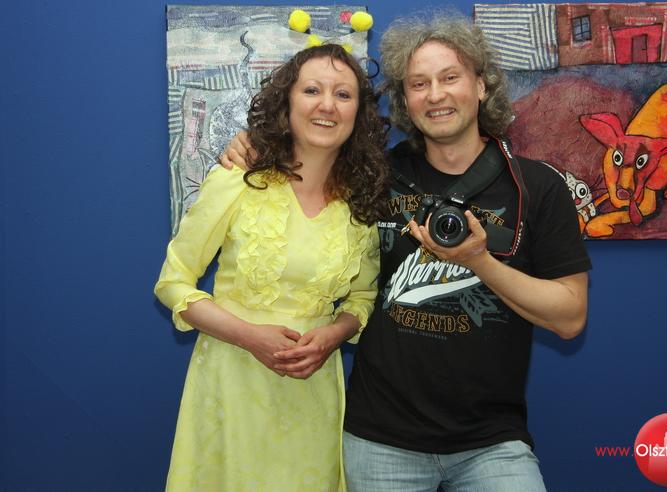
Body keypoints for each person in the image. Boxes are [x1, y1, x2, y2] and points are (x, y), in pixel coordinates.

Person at [222, 12, 591, 492]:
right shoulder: (371, 175)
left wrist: (479, 261)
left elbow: (570, 317)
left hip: (492, 442)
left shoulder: (537, 187)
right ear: (405, 101)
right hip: (380, 440)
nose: (435, 95)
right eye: (419, 84)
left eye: (450, 78)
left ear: (481, 86)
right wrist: (251, 145)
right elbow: (306, 152)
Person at [155, 44, 388, 491]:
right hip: (231, 385)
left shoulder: (361, 205)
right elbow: (173, 283)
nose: (327, 105)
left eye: (343, 94)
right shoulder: (238, 180)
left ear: (359, 114)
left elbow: (363, 297)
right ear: (287, 102)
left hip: (312, 393)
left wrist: (333, 336)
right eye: (312, 90)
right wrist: (249, 336)